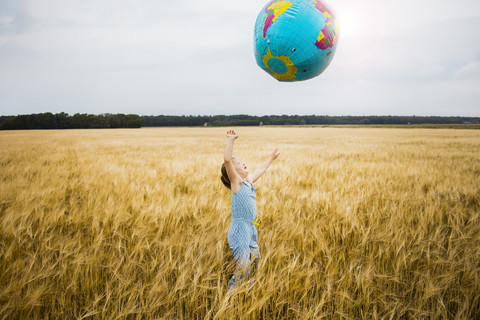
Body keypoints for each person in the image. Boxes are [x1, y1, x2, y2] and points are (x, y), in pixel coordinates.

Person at [221, 129, 280, 289]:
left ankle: (247, 289)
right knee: (244, 267)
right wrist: (231, 140)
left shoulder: (248, 182)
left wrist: (271, 158)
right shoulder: (237, 184)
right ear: (232, 172)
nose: (243, 164)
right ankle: (231, 293)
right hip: (239, 231)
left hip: (251, 229)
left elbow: (260, 170)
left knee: (255, 262)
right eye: (239, 164)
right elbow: (227, 160)